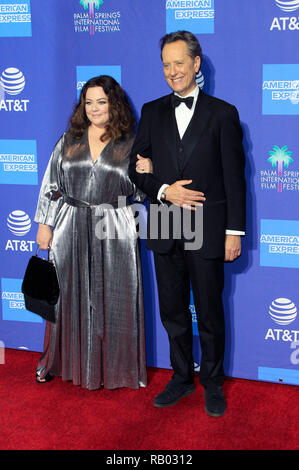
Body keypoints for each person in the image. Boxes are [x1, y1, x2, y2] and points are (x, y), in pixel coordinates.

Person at [129, 31, 246, 417]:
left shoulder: (223, 113)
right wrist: (164, 189)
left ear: (197, 64)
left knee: (210, 311)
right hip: (163, 223)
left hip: (208, 227)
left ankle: (212, 382)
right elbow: (135, 170)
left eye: (179, 62)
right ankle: (181, 377)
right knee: (172, 310)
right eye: (166, 64)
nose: (172, 71)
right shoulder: (151, 111)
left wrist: (234, 231)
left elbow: (234, 178)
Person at [34, 75, 147, 390]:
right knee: (64, 298)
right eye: (89, 102)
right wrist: (45, 224)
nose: (95, 108)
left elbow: (142, 192)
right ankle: (55, 362)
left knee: (116, 299)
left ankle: (116, 369)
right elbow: (51, 185)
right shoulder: (68, 139)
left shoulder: (131, 142)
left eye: (102, 101)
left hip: (116, 226)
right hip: (71, 224)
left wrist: (150, 171)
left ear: (115, 104)